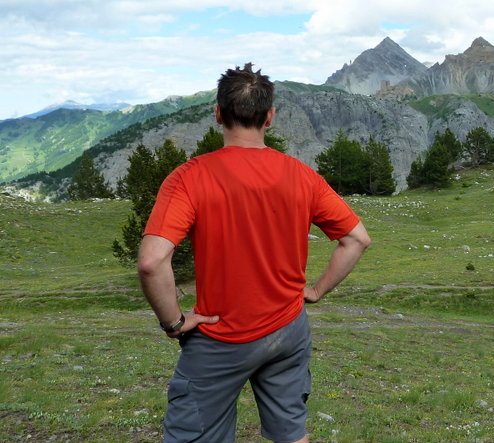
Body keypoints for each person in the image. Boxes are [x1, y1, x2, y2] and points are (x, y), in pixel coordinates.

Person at [137, 63, 371, 443]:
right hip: (288, 330)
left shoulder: (189, 177)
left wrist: (174, 323)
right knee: (292, 434)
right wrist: (316, 291)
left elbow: (151, 262)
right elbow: (357, 239)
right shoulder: (302, 175)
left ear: (217, 114)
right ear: (270, 117)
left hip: (220, 337)